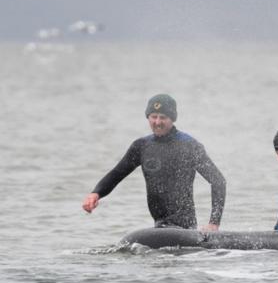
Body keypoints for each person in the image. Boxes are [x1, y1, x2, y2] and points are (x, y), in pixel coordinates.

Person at [81, 94, 226, 231]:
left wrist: (214, 223)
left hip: (184, 230)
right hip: (159, 227)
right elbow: (117, 174)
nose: (157, 122)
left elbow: (218, 181)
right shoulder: (142, 146)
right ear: (148, 117)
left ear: (172, 119)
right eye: (153, 117)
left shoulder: (189, 146)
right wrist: (96, 193)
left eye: (163, 117)